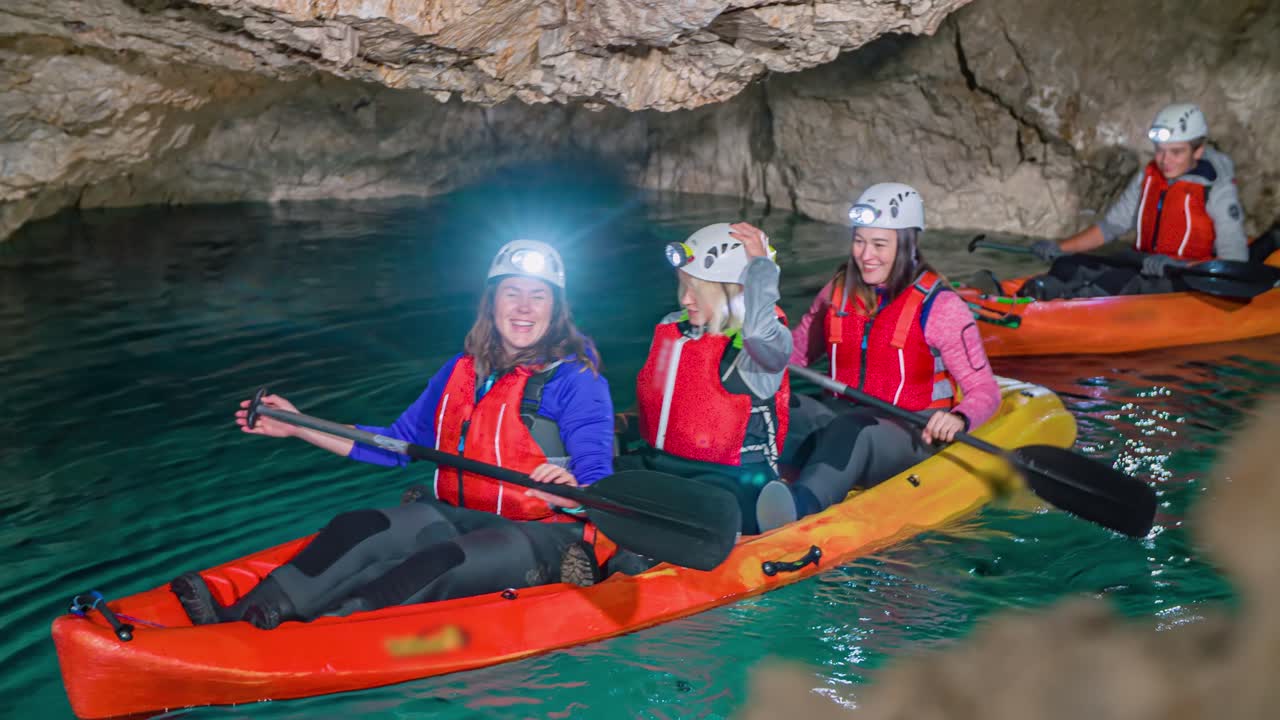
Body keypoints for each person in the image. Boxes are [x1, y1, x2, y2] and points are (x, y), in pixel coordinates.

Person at [169, 239, 616, 629]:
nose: (523, 308)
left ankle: (328, 632)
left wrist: (575, 493)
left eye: (538, 296)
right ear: (491, 302)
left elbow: (599, 479)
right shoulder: (460, 371)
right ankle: (245, 615)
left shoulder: (577, 379)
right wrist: (299, 426)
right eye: (511, 293)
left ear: (556, 308)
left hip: (541, 535)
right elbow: (392, 444)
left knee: (437, 563)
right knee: (357, 526)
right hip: (457, 514)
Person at [761, 182, 1001, 531]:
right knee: (779, 404)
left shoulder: (942, 307)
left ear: (907, 244)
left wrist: (960, 419)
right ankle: (741, 483)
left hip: (910, 431)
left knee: (854, 430)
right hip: (841, 415)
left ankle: (797, 510)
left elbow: (984, 390)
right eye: (859, 241)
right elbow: (794, 355)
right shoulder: (837, 292)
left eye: (879, 244)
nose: (866, 255)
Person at [629, 222, 792, 536]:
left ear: (735, 291)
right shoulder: (672, 329)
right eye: (683, 286)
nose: (686, 300)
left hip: (731, 480)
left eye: (699, 290)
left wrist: (760, 269)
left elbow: (759, 331)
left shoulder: (760, 350)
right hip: (664, 466)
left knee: (694, 505)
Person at [1021, 103, 1248, 299]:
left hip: (1188, 277)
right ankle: (1039, 295)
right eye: (1160, 151)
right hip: (1144, 265)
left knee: (1120, 282)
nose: (1164, 161)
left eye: (1176, 152)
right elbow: (1111, 227)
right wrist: (1059, 248)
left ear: (1198, 151)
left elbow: (1235, 260)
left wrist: (1179, 265)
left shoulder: (1217, 190)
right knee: (1068, 265)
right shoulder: (1148, 178)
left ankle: (1064, 305)